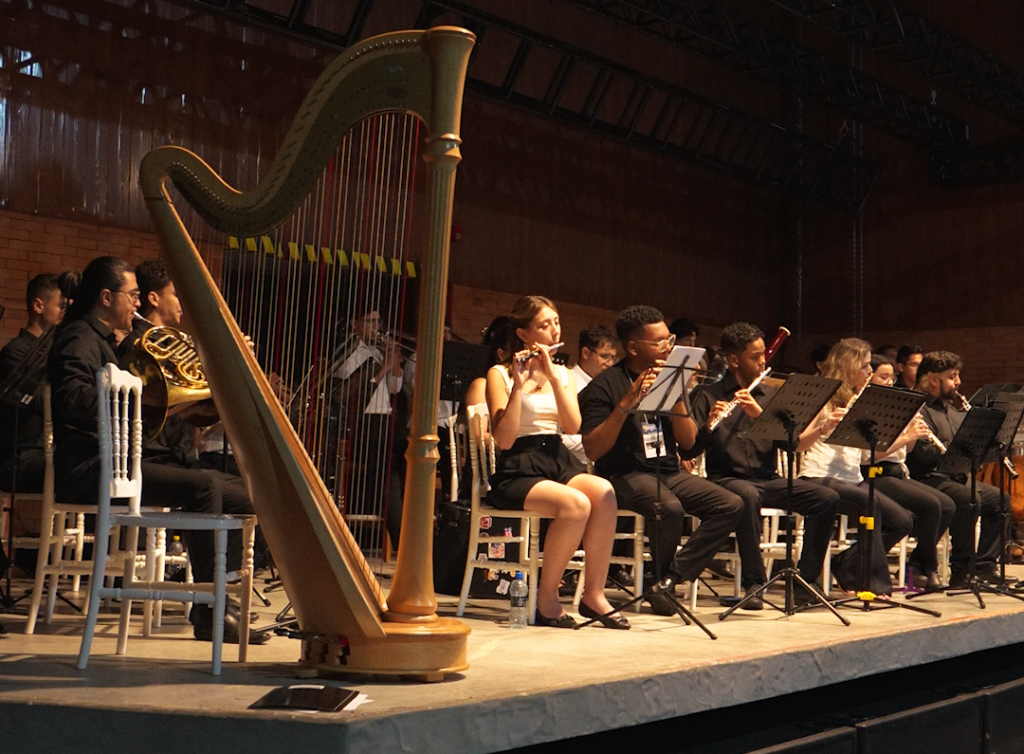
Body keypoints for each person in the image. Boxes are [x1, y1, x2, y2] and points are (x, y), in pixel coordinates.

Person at [46, 256, 265, 645]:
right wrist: (136, 394)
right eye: (131, 295)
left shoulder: (106, 341)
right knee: (204, 488)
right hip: (90, 468)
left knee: (243, 493)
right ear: (106, 297)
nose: (136, 303)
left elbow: (146, 410)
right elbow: (72, 400)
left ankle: (223, 596)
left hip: (118, 464)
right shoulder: (78, 338)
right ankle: (210, 611)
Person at [580, 306, 743, 614]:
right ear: (633, 347)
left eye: (669, 340)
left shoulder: (670, 379)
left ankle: (666, 581)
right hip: (624, 473)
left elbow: (688, 442)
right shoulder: (604, 386)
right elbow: (593, 450)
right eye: (659, 342)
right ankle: (660, 585)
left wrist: (676, 392)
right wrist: (626, 403)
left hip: (667, 470)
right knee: (668, 507)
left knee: (731, 504)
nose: (668, 348)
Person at [487, 296, 627, 629]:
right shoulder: (499, 374)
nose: (554, 330)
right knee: (576, 504)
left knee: (604, 493)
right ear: (523, 333)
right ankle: (546, 598)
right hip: (519, 465)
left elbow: (573, 426)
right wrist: (518, 386)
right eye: (544, 324)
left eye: (556, 322)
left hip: (556, 457)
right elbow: (504, 439)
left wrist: (551, 377)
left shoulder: (562, 374)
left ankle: (594, 595)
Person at [683, 322, 840, 606]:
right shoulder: (707, 395)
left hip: (768, 479)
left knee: (826, 498)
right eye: (755, 356)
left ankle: (806, 580)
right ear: (734, 360)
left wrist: (761, 417)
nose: (763, 361)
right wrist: (708, 425)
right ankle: (754, 583)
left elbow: (791, 444)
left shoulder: (771, 396)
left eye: (763, 354)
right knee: (747, 495)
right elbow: (690, 448)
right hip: (727, 480)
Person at [798, 338, 913, 595]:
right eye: (864, 366)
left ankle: (846, 564)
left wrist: (900, 434)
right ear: (847, 366)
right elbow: (799, 443)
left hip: (851, 478)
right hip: (819, 475)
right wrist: (823, 427)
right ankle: (874, 584)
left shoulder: (860, 400)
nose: (869, 371)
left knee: (901, 521)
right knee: (869, 503)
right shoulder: (824, 396)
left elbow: (866, 456)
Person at [906, 351, 1002, 587]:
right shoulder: (920, 409)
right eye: (952, 376)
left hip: (954, 477)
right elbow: (926, 455)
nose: (958, 382)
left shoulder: (955, 412)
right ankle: (961, 572)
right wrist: (954, 450)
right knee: (968, 499)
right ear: (933, 379)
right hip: (928, 478)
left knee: (1000, 500)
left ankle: (984, 565)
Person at [861, 360, 955, 592]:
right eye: (883, 377)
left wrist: (913, 431)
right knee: (931, 505)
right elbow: (869, 455)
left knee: (948, 505)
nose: (889, 382)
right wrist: (906, 436)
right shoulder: (865, 408)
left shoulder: (893, 406)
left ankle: (916, 564)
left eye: (891, 378)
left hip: (898, 472)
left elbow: (907, 450)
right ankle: (929, 569)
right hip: (876, 473)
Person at [332, 308, 404, 549]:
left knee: (404, 463)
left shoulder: (378, 352)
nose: (376, 326)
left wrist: (394, 364)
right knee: (388, 475)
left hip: (386, 421)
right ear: (356, 324)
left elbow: (394, 388)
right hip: (363, 423)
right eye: (370, 321)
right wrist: (384, 366)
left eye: (378, 321)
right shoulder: (349, 352)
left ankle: (408, 530)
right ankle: (401, 538)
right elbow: (352, 392)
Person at [0, 273, 65, 494]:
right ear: (38, 305)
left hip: (45, 454)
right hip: (17, 460)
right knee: (84, 471)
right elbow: (46, 406)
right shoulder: (15, 352)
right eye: (61, 306)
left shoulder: (56, 353)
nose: (66, 313)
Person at [563, 324, 617, 465]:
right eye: (605, 356)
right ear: (586, 353)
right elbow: (559, 435)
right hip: (573, 462)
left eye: (613, 358)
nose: (609, 364)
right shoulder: (565, 381)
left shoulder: (609, 386)